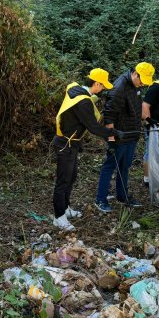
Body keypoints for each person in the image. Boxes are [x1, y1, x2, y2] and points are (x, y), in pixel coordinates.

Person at [52, 68, 125, 231]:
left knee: (71, 177)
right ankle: (58, 217)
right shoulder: (83, 102)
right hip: (66, 144)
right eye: (102, 86)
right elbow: (93, 127)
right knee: (63, 180)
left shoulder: (74, 88)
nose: (103, 89)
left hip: (71, 142)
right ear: (96, 83)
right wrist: (113, 133)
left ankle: (66, 208)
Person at [94, 62, 155, 213]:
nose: (142, 84)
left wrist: (147, 120)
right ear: (135, 74)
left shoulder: (136, 87)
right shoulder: (119, 88)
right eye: (141, 80)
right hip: (119, 135)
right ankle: (100, 199)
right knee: (110, 166)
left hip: (132, 134)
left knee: (125, 166)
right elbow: (109, 115)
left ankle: (122, 195)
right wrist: (111, 138)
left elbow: (136, 107)